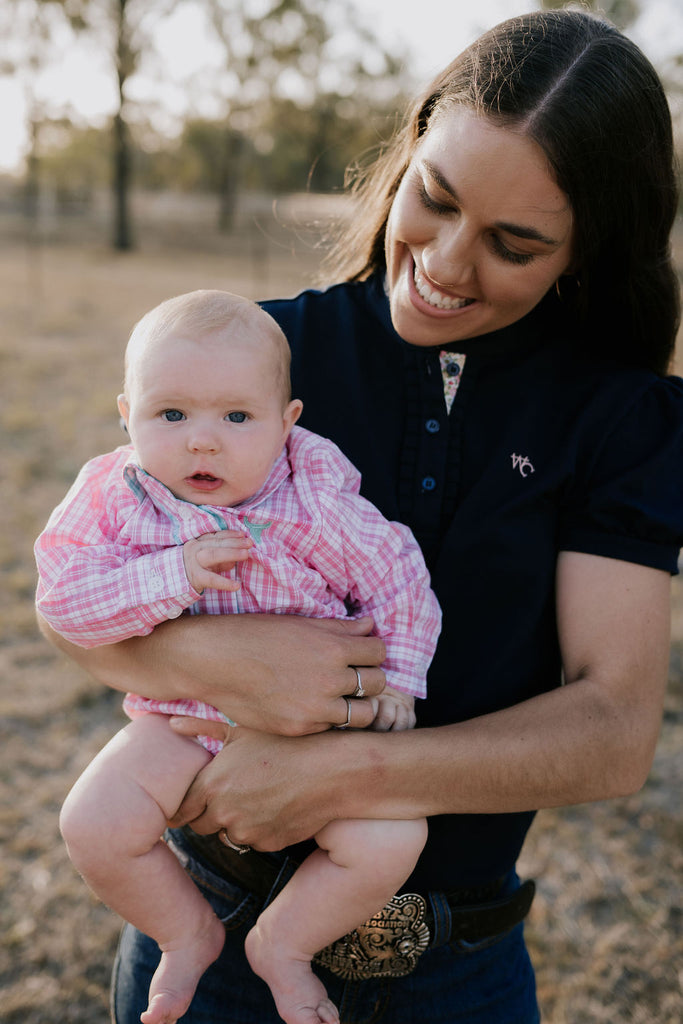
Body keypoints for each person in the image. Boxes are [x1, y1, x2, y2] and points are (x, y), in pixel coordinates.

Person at [36, 9, 683, 1024]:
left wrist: (338, 770)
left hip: (457, 971)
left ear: (584, 254)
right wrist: (209, 664)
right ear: (412, 145)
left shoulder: (619, 417)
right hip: (216, 964)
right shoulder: (259, 362)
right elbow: (67, 597)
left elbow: (610, 732)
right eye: (434, 198)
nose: (446, 262)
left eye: (514, 245)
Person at [34, 290, 441, 1024]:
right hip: (179, 723)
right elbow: (64, 600)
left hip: (317, 740)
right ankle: (185, 931)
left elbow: (398, 576)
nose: (202, 441)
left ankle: (282, 942)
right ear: (126, 415)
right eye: (171, 414)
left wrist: (400, 682)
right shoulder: (118, 499)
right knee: (92, 823)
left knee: (390, 837)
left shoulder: (312, 505)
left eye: (236, 416)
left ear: (286, 425)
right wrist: (173, 573)